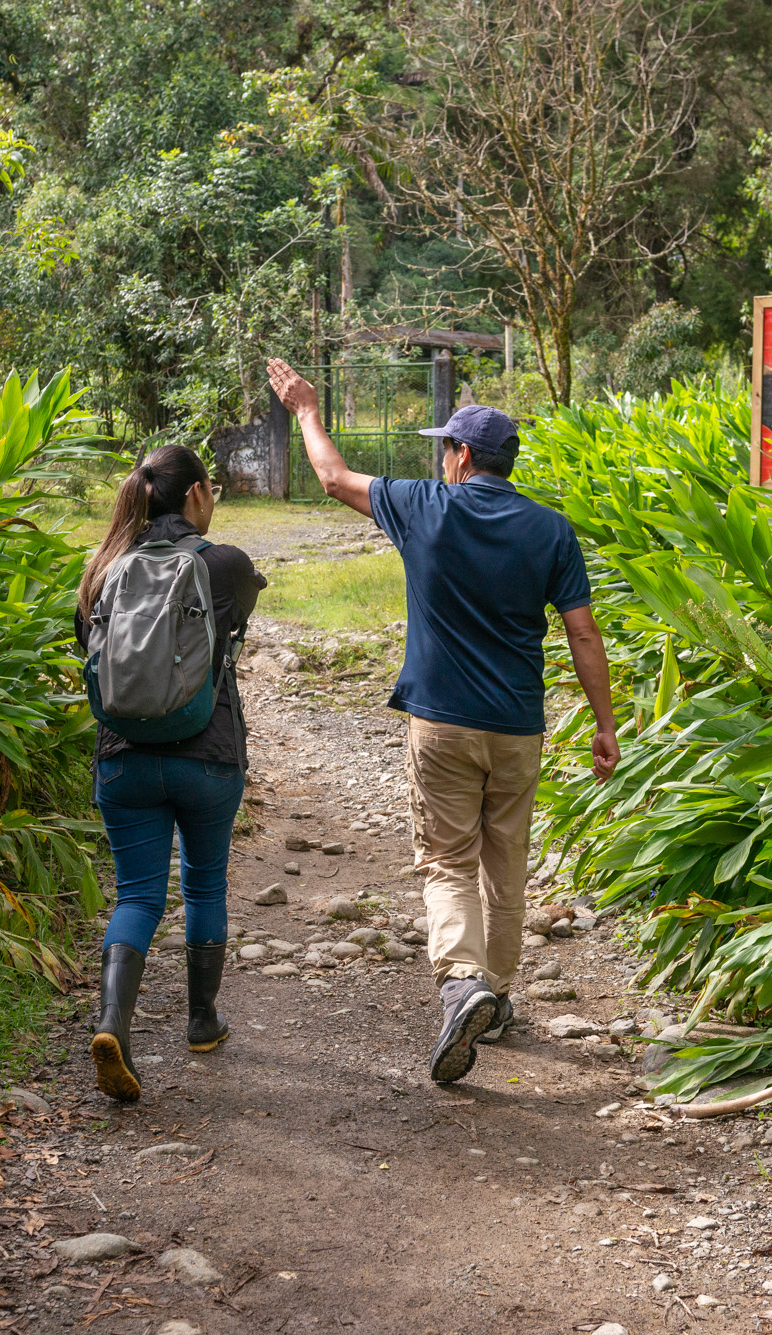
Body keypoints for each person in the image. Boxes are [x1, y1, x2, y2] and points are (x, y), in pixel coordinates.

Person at [264, 358, 620, 1085]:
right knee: (505, 862)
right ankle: (500, 992)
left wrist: (304, 409)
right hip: (519, 726)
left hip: (442, 724)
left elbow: (333, 478)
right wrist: (604, 723)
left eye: (444, 449)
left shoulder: (428, 506)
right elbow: (584, 634)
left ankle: (463, 984)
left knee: (448, 860)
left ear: (461, 457)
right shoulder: (552, 532)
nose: (440, 459)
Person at [75, 443, 267, 1102]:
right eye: (211, 487)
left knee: (136, 896)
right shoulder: (226, 565)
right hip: (208, 757)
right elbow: (235, 626)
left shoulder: (103, 568)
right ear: (193, 495)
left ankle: (112, 1023)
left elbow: (91, 650)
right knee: (204, 883)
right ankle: (202, 1021)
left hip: (124, 758)